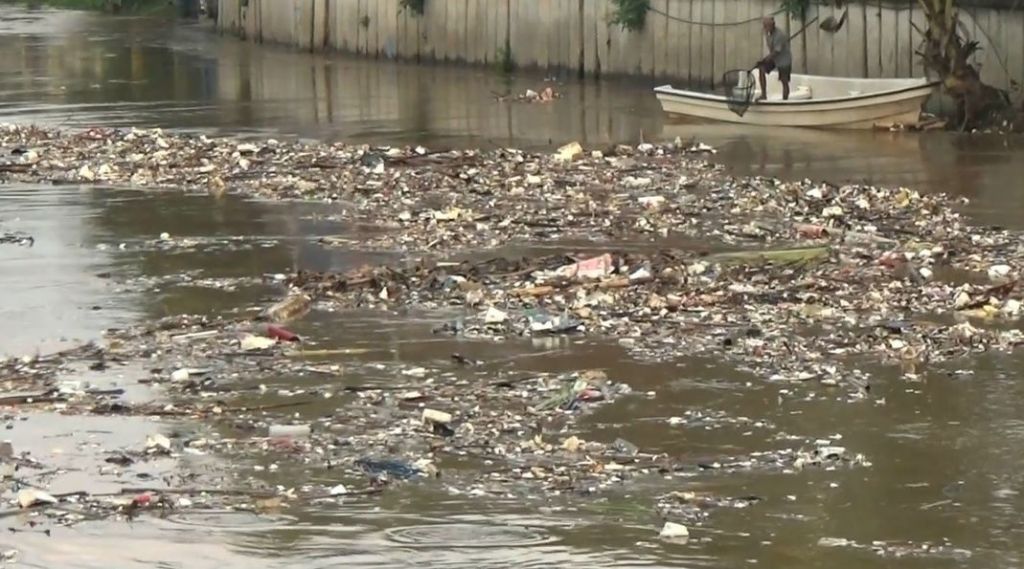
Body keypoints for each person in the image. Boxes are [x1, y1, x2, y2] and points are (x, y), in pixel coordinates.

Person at [756, 17, 792, 101]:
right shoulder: (767, 33)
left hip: (784, 60)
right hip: (775, 59)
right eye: (764, 26)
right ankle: (763, 94)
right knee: (761, 69)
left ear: (773, 25)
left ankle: (785, 100)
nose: (765, 28)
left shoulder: (779, 35)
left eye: (767, 26)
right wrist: (764, 61)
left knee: (784, 80)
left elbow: (776, 51)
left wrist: (766, 59)